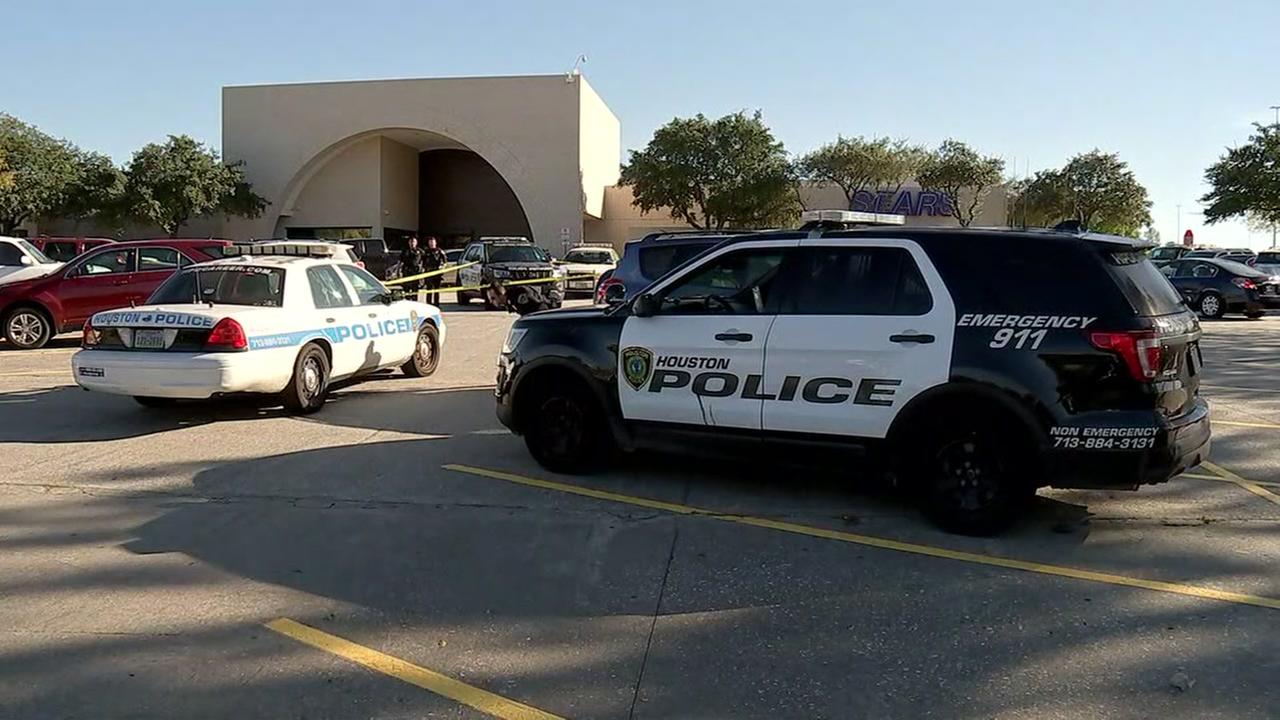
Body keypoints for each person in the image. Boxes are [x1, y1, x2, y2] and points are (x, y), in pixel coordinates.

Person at [422, 236, 448, 306]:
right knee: (429, 290)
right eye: (430, 242)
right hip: (428, 273)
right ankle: (428, 304)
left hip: (437, 273)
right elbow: (422, 262)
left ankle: (436, 304)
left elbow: (445, 261)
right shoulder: (426, 252)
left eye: (433, 242)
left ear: (435, 243)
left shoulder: (439, 251)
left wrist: (442, 267)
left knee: (437, 290)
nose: (431, 244)